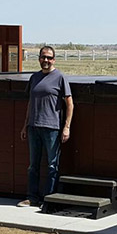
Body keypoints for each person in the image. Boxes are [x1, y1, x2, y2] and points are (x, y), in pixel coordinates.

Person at [18, 46, 73, 207]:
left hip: (52, 128)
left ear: (54, 60)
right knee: (33, 165)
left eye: (49, 58)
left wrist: (66, 127)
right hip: (34, 126)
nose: (46, 60)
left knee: (52, 165)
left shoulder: (60, 77)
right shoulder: (34, 77)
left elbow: (69, 104)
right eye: (43, 57)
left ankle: (48, 199)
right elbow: (30, 103)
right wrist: (25, 125)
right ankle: (32, 197)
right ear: (39, 59)